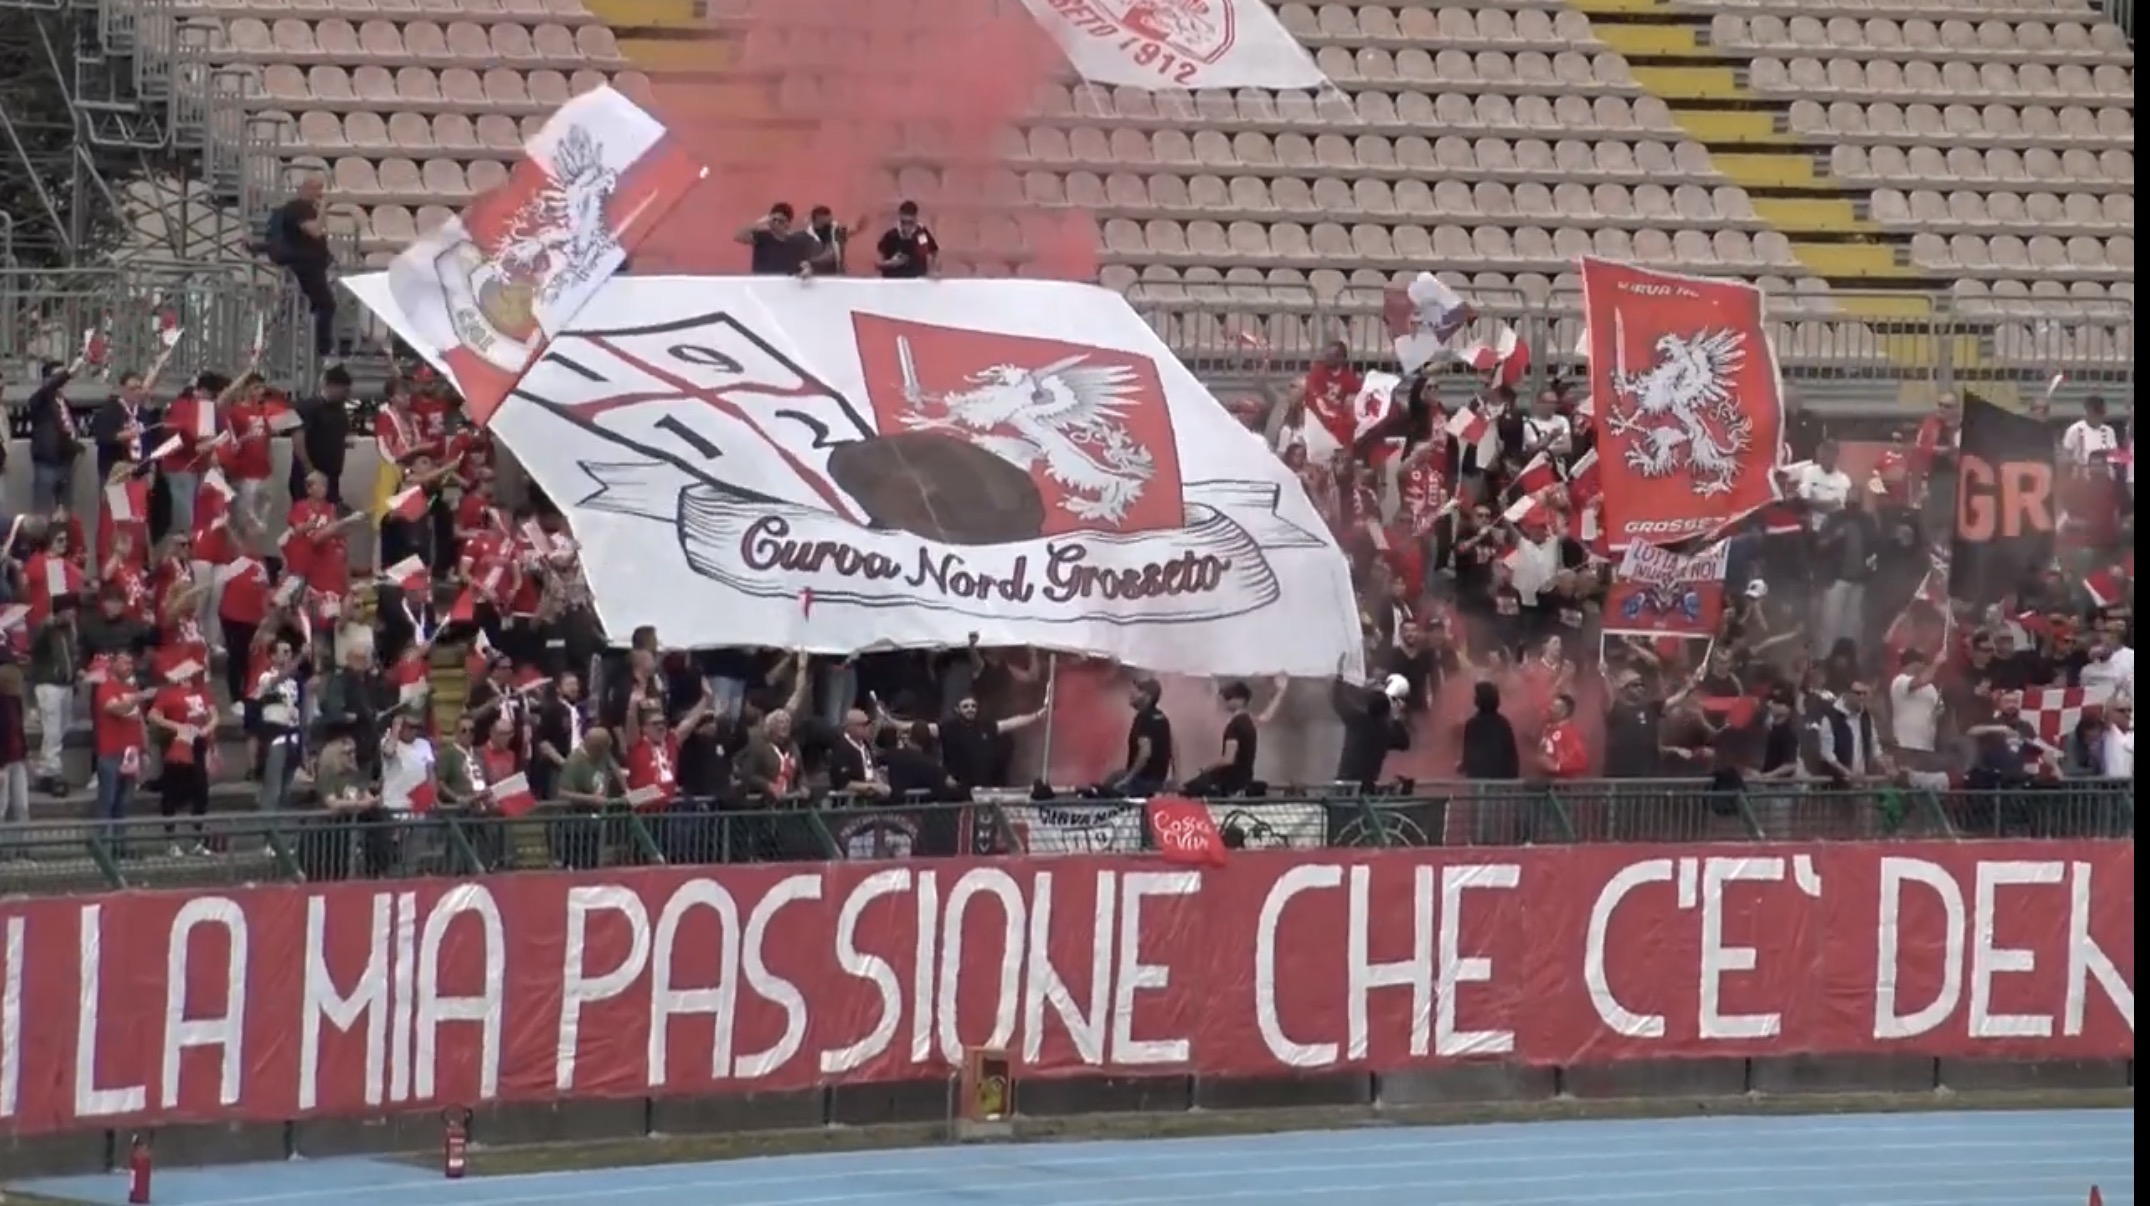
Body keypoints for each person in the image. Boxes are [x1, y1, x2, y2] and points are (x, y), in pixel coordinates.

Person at [266, 174, 338, 358]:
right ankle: (322, 349)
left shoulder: (303, 209)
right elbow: (314, 230)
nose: (319, 193)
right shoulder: (299, 208)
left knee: (314, 305)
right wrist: (323, 208)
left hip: (310, 263)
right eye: (316, 188)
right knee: (325, 305)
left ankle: (316, 345)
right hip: (305, 265)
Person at [1183, 676, 1288, 797]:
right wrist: (1280, 692)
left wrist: (1206, 769)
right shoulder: (1248, 720)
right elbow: (1266, 716)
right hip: (1244, 781)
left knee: (1188, 789)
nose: (1224, 700)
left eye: (1228, 697)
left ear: (1240, 700)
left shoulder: (1234, 726)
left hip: (1230, 784)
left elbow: (1228, 759)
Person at [25, 353, 88, 512]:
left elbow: (65, 428)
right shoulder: (39, 400)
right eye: (57, 377)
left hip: (65, 463)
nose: (62, 381)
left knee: (65, 513)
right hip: (47, 464)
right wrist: (70, 372)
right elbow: (50, 388)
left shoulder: (64, 402)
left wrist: (76, 446)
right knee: (43, 513)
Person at [1106, 678, 1174, 798]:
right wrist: (1176, 777)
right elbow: (1174, 746)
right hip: (1157, 780)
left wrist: (1128, 779)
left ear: (1147, 697)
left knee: (1109, 789)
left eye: (1137, 691)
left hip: (1143, 783)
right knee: (1115, 776)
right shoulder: (1162, 717)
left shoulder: (1144, 718)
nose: (1132, 693)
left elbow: (1145, 753)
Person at [1459, 680, 1521, 781]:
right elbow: (1512, 759)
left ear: (1477, 701)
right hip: (1502, 783)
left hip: (1480, 783)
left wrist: (1462, 767)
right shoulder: (1504, 724)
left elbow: (1468, 759)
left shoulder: (1472, 725)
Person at [738, 202, 818, 277]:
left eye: (781, 221)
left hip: (785, 283)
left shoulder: (798, 242)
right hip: (762, 283)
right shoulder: (762, 237)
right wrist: (761, 222)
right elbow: (739, 236)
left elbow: (806, 264)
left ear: (788, 223)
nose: (776, 224)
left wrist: (807, 270)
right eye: (774, 220)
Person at [875, 201, 939, 279]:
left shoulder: (922, 233)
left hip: (917, 281)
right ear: (899, 217)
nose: (906, 227)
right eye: (903, 222)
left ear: (915, 218)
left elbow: (934, 252)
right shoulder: (891, 236)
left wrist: (933, 270)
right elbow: (878, 262)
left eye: (910, 222)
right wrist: (891, 264)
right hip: (894, 280)